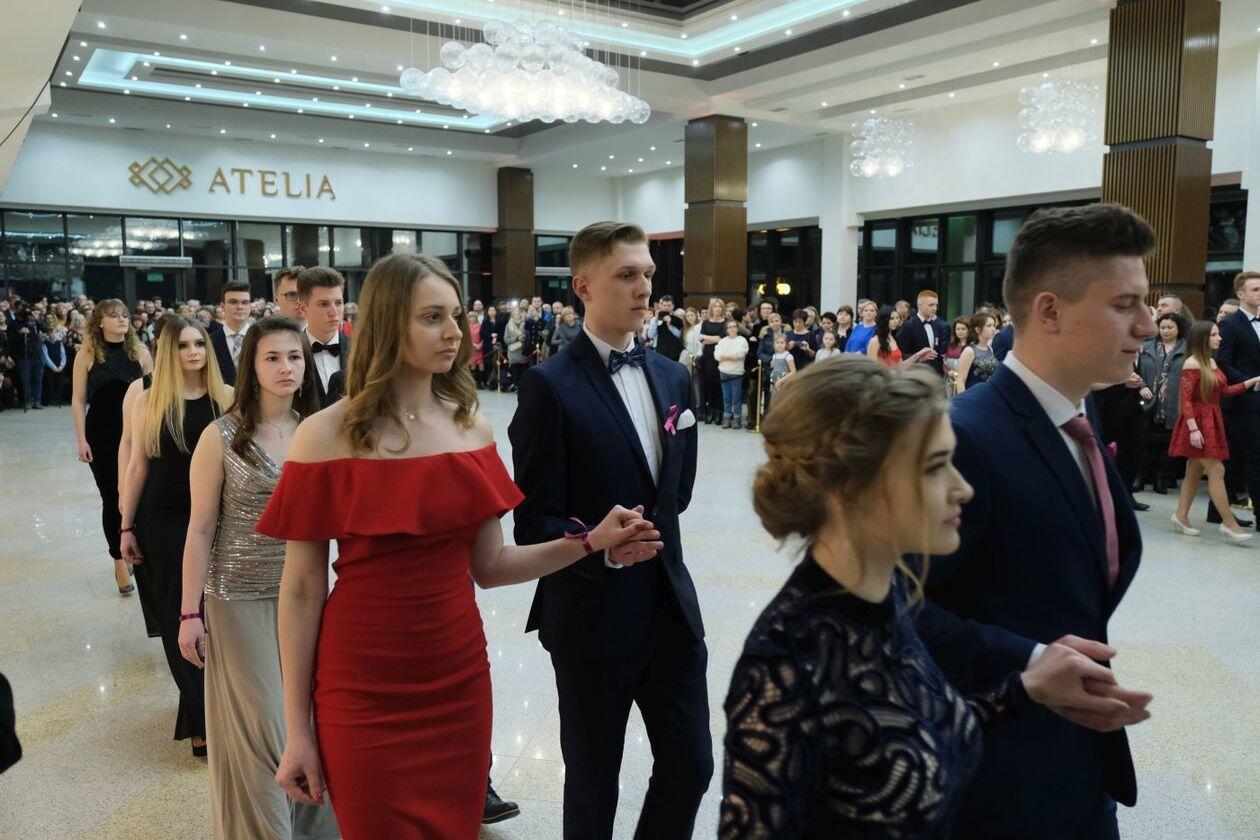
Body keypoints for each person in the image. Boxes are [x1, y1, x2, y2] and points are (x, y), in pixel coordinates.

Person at [258, 253, 654, 838]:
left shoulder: (470, 427)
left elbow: (491, 566)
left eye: (455, 315)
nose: (453, 332)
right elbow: (299, 590)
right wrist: (297, 729)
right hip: (360, 684)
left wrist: (590, 541)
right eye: (431, 317)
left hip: (456, 678)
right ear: (389, 323)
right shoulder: (324, 434)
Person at [721, 357, 1137, 837]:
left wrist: (1025, 690)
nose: (963, 489)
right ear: (851, 486)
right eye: (937, 467)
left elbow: (908, 735)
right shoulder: (785, 660)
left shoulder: (889, 595)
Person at [916, 204, 1157, 838]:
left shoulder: (1078, 414)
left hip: (1073, 763)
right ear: (1049, 310)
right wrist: (1030, 659)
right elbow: (892, 604)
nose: (1147, 324)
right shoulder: (966, 437)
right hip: (992, 777)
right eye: (1124, 305)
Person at [510, 222, 712, 839]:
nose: (644, 287)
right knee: (594, 781)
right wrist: (600, 546)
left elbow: (677, 491)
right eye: (626, 275)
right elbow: (532, 521)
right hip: (591, 614)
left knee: (692, 765)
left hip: (670, 608)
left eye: (647, 273)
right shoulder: (549, 385)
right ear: (583, 287)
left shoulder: (674, 377)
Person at [176, 316, 339, 839]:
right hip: (239, 596)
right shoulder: (221, 435)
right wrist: (189, 612)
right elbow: (200, 528)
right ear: (252, 366)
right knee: (266, 728)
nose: (286, 367)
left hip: (310, 597)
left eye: (294, 356)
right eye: (272, 358)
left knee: (309, 721)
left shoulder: (319, 431)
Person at [120, 316, 232, 757]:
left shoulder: (227, 398)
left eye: (199, 344)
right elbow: (137, 465)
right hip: (163, 519)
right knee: (177, 616)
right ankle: (200, 718)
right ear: (169, 351)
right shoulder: (149, 401)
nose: (194, 352)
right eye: (184, 345)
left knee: (214, 614)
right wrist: (125, 524)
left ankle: (209, 710)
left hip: (217, 517)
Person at [71, 300, 152, 596]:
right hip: (102, 434)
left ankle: (139, 550)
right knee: (112, 498)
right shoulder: (88, 354)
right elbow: (78, 399)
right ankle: (118, 560)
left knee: (140, 494)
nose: (121, 320)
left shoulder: (140, 352)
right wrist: (81, 439)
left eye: (125, 315)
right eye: (114, 315)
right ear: (100, 322)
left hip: (136, 431)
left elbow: (154, 393)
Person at [1169, 320, 1260, 541]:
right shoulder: (1192, 363)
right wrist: (1193, 429)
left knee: (1194, 471)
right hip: (1197, 422)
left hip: (1211, 418)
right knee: (1217, 470)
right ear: (1202, 338)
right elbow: (1186, 400)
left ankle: (1181, 515)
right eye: (1214, 335)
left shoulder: (1211, 361)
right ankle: (1229, 523)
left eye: (1218, 334)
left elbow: (1224, 390)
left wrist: (1251, 382)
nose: (1220, 338)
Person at [1209, 270, 1260, 530]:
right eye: (1256, 289)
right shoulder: (1230, 324)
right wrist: (1249, 382)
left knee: (1234, 458)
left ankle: (1216, 511)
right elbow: (1223, 362)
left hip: (1255, 402)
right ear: (1241, 294)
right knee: (1255, 456)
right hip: (1241, 401)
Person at [1135, 314, 1186, 496]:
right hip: (1149, 401)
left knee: (1166, 443)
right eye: (1162, 327)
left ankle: (1160, 479)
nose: (1165, 331)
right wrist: (1141, 386)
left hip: (1173, 402)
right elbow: (1135, 370)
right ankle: (1139, 477)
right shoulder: (1147, 347)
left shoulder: (1186, 349)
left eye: (1170, 327)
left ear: (1178, 329)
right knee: (1144, 441)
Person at [299, 267, 349, 408]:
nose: (334, 312)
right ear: (303, 308)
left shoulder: (361, 350)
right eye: (324, 304)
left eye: (338, 303)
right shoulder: (290, 351)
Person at [208, 280, 254, 386]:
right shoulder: (209, 341)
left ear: (250, 306)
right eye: (233, 302)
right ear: (222, 306)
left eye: (245, 302)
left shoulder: (262, 338)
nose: (240, 307)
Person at [897, 290, 948, 375]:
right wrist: (918, 357)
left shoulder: (938, 326)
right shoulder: (908, 326)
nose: (935, 308)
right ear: (919, 305)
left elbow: (939, 354)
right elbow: (901, 354)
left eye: (936, 305)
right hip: (915, 374)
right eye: (931, 305)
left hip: (935, 375)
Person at [955, 311, 1000, 392]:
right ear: (978, 329)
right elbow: (960, 381)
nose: (993, 329)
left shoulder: (990, 349)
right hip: (972, 395)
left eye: (994, 325)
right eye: (989, 326)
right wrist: (964, 399)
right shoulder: (969, 351)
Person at [716, 319, 749, 428]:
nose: (732, 329)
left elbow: (740, 355)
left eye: (734, 326)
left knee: (736, 397)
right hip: (723, 372)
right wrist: (731, 356)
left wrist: (725, 356)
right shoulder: (723, 341)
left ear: (737, 328)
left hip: (736, 373)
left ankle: (737, 418)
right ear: (726, 330)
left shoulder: (742, 340)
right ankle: (726, 418)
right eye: (729, 327)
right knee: (726, 397)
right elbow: (717, 355)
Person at [699, 298, 726, 424]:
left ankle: (719, 411)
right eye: (715, 306)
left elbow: (721, 339)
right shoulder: (705, 323)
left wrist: (708, 338)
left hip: (721, 355)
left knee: (719, 384)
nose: (717, 309)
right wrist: (714, 338)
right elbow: (701, 339)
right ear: (711, 308)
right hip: (708, 355)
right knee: (708, 383)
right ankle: (710, 410)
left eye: (720, 306)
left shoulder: (726, 323)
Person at [647, 295, 684, 361]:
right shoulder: (655, 319)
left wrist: (670, 325)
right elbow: (650, 335)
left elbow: (679, 335)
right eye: (664, 305)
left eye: (669, 305)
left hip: (673, 351)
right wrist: (656, 321)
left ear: (673, 306)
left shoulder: (677, 319)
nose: (666, 307)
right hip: (659, 351)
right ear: (661, 306)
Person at [41, 326, 68, 407]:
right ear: (48, 334)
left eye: (55, 333)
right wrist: (53, 367)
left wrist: (61, 365)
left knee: (59, 383)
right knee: (50, 383)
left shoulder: (59, 343)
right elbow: (45, 356)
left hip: (59, 366)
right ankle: (51, 400)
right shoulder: (45, 343)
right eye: (51, 333)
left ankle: (59, 399)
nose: (53, 334)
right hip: (50, 367)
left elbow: (63, 355)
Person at [503, 305, 527, 391]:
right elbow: (506, 340)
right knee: (515, 371)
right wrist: (516, 338)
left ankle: (522, 386)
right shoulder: (508, 326)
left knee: (523, 371)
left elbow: (528, 336)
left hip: (523, 351)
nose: (517, 315)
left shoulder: (525, 325)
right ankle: (516, 386)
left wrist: (524, 338)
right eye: (515, 314)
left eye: (518, 314)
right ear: (512, 316)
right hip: (513, 352)